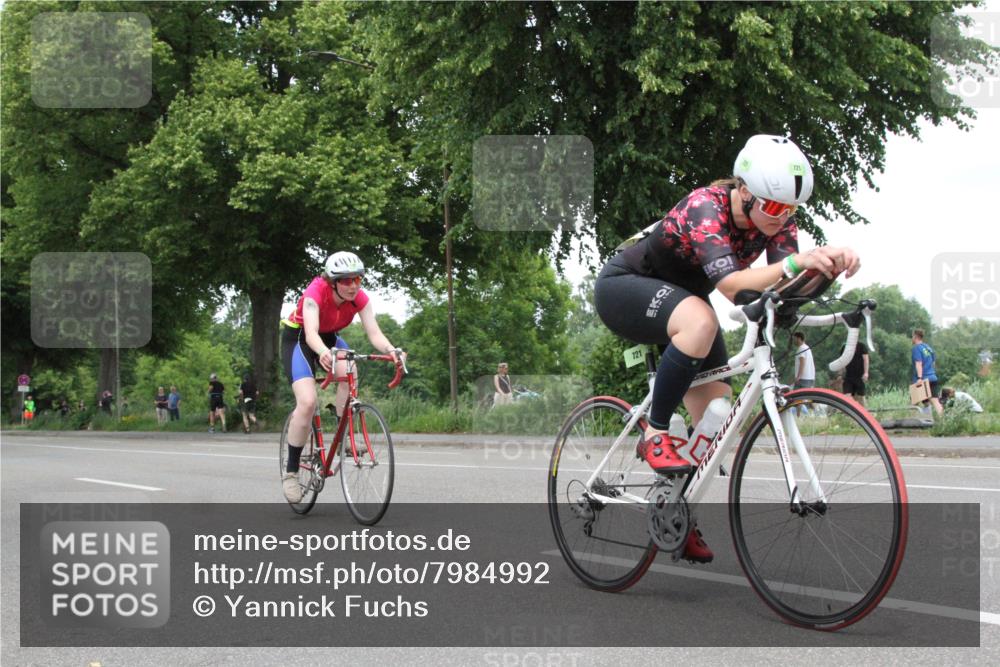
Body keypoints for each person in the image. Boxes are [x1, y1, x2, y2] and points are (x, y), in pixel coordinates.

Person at [594, 134, 860, 563]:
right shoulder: (706, 207)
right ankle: (656, 432)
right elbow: (732, 286)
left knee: (717, 421)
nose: (781, 218)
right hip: (625, 285)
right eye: (773, 207)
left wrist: (829, 264)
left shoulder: (779, 220)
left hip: (685, 306)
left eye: (791, 210)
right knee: (702, 317)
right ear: (743, 191)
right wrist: (797, 261)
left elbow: (781, 288)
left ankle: (676, 513)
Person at [280, 251, 406, 503]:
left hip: (330, 338)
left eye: (357, 280)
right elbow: (311, 334)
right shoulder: (315, 293)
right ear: (333, 281)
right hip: (300, 339)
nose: (353, 286)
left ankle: (344, 437)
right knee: (307, 402)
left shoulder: (359, 298)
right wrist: (323, 353)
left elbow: (374, 333)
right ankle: (291, 472)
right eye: (346, 280)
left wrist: (392, 351)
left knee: (351, 371)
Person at [911, 329, 943, 416]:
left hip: (923, 379)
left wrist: (919, 378)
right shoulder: (928, 348)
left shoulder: (916, 348)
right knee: (934, 402)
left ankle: (912, 423)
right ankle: (943, 422)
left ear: (915, 336)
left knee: (914, 403)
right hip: (933, 377)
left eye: (912, 336)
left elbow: (918, 363)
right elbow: (933, 362)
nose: (912, 338)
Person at [841, 341, 870, 406]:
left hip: (859, 376)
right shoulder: (844, 347)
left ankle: (864, 412)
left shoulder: (861, 346)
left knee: (861, 397)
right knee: (847, 396)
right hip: (848, 376)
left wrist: (866, 373)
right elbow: (842, 361)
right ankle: (852, 410)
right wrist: (840, 374)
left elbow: (866, 360)